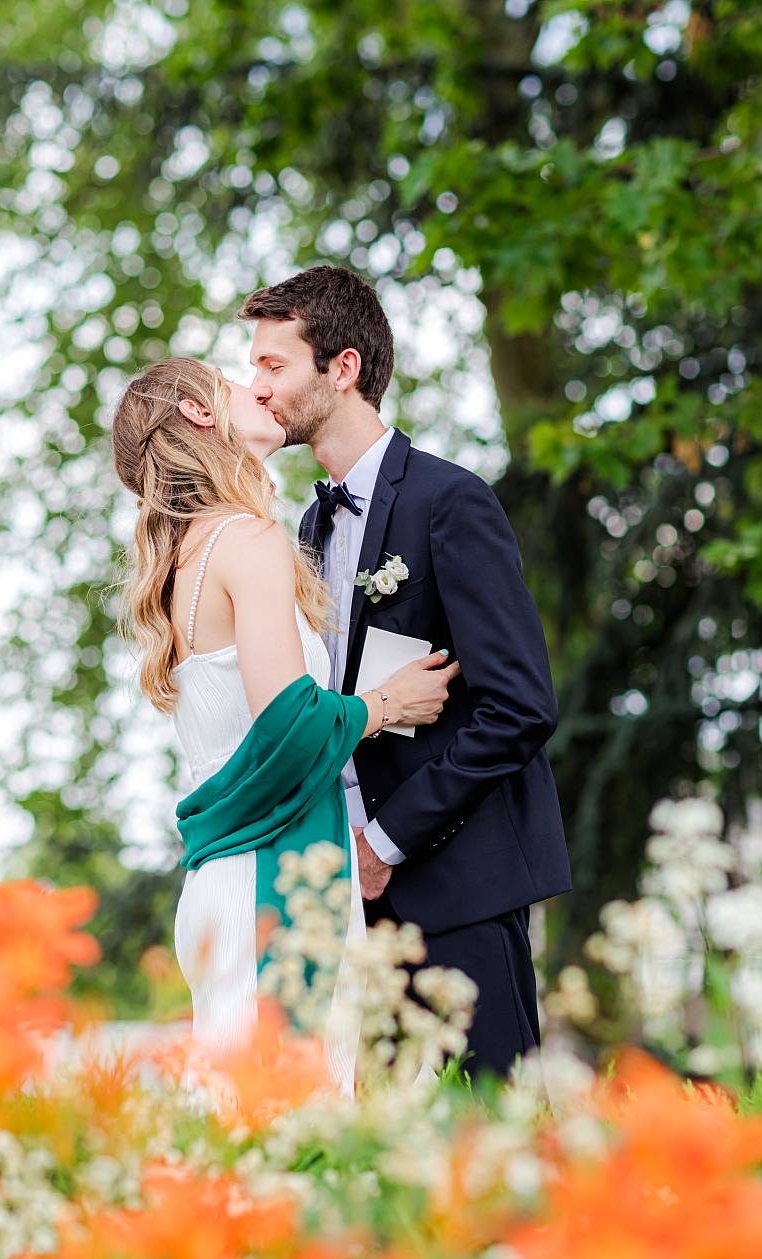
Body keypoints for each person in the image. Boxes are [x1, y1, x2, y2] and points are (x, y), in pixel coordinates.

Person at [239, 265, 572, 1080]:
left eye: (274, 365)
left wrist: (386, 843)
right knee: (385, 1150)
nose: (258, 388)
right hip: (352, 907)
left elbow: (520, 706)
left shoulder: (450, 501)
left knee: (499, 1132)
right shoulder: (307, 528)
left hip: (461, 889)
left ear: (342, 368)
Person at [110, 356, 459, 1094]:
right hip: (274, 878)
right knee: (285, 1122)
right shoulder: (248, 539)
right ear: (202, 412)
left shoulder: (184, 558)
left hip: (222, 881)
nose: (262, 390)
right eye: (242, 381)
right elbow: (290, 722)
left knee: (243, 1128)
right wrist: (387, 705)